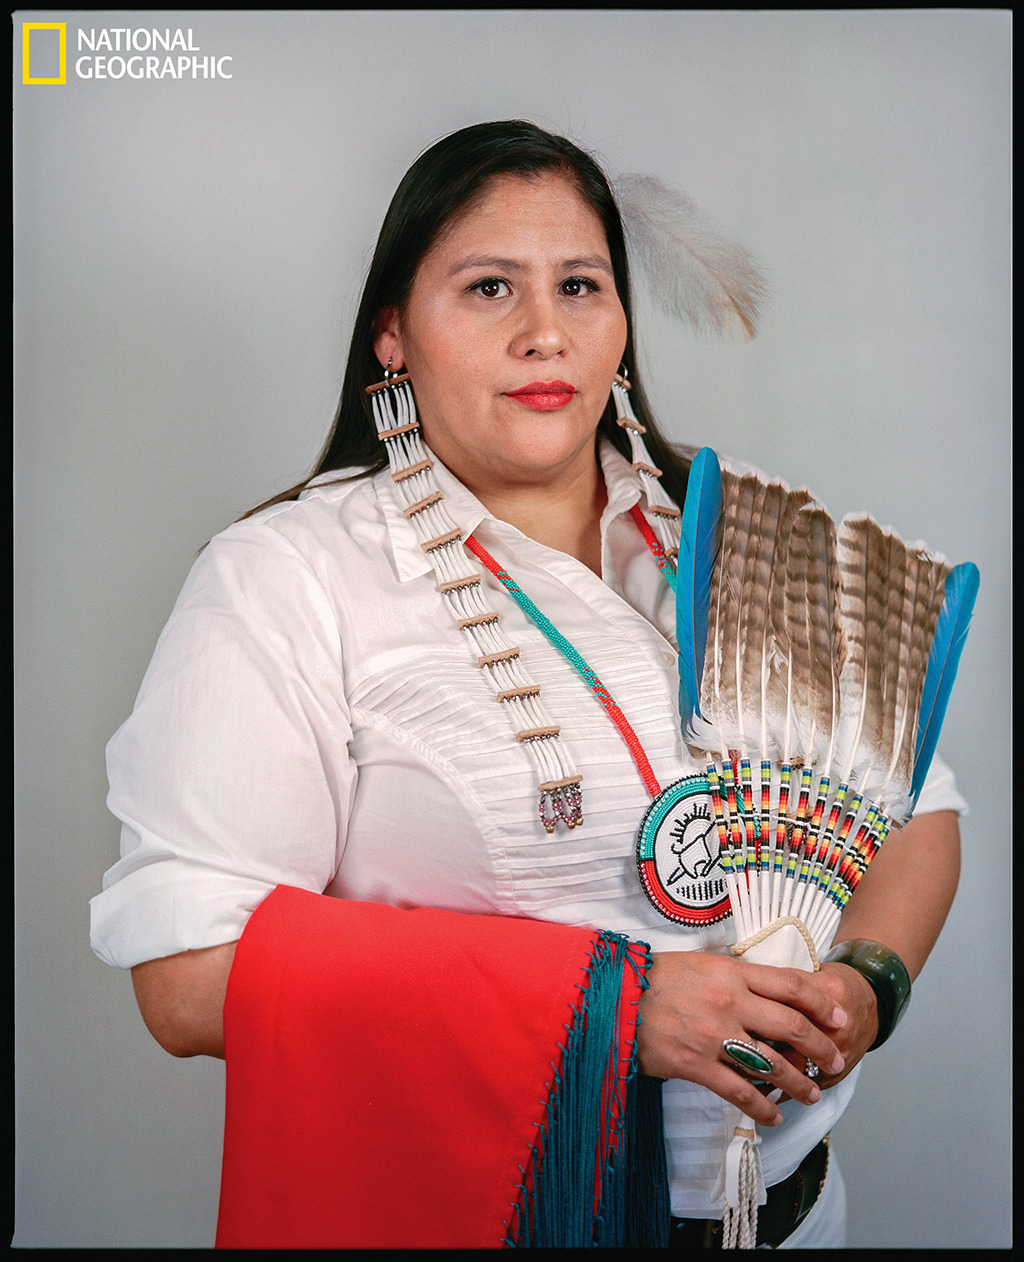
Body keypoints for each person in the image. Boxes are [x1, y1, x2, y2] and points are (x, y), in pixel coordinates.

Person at [90, 120, 965, 1249]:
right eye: (489, 287)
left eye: (580, 286)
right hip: (481, 1220)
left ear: (621, 324)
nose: (545, 331)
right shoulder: (287, 575)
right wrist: (613, 1007)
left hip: (796, 1220)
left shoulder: (742, 528)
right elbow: (187, 977)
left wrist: (867, 981)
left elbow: (912, 801)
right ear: (394, 334)